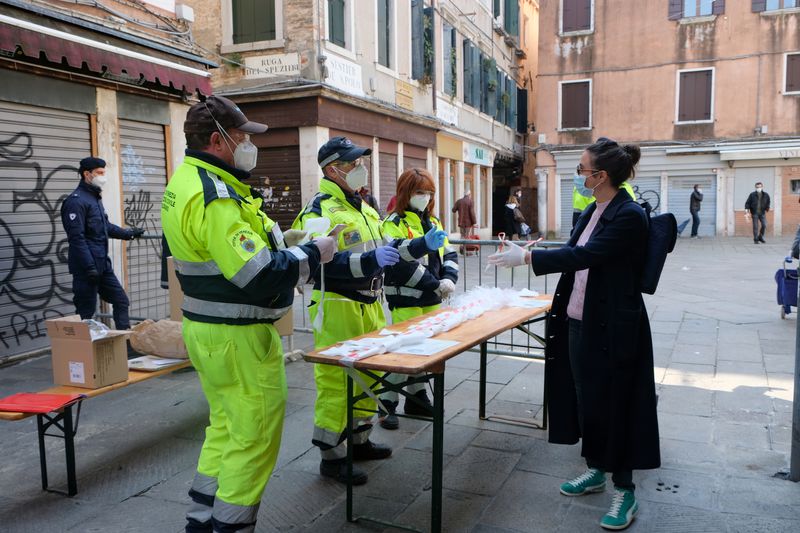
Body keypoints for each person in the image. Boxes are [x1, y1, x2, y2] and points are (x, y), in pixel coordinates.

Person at [161, 95, 336, 533]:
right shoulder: (216, 194)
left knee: (225, 426)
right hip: (238, 336)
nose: (247, 145)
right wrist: (312, 253)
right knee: (254, 434)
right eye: (241, 137)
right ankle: (232, 525)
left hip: (208, 331)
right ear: (217, 141)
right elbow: (256, 276)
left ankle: (202, 519)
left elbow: (221, 253)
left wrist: (287, 242)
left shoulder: (185, 181)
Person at [488, 138, 660, 531]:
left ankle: (625, 489)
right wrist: (536, 249)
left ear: (600, 176)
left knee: (616, 404)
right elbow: (573, 250)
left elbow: (588, 255)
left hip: (614, 327)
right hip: (578, 319)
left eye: (582, 170)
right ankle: (596, 469)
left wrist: (529, 258)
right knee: (587, 401)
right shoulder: (591, 211)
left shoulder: (629, 215)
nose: (578, 176)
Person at [292, 136, 447, 485]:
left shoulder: (363, 207)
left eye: (361, 162)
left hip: (370, 304)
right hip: (338, 305)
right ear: (333, 169)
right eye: (354, 163)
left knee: (367, 376)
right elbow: (315, 262)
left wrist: (422, 244)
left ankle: (359, 440)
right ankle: (332, 455)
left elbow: (387, 246)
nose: (362, 168)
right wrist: (367, 261)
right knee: (337, 381)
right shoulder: (319, 209)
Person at [378, 168, 459, 429]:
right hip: (406, 299)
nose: (425, 197)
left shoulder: (434, 223)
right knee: (403, 354)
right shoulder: (393, 222)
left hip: (432, 299)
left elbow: (450, 254)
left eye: (429, 193)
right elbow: (400, 263)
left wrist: (449, 279)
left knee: (426, 353)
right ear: (405, 193)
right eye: (419, 192)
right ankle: (386, 404)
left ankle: (417, 397)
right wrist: (436, 284)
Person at [61, 157, 144, 331]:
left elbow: (105, 227)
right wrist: (89, 267)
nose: (103, 177)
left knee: (121, 300)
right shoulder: (76, 201)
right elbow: (77, 238)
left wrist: (128, 234)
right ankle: (84, 351)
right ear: (87, 174)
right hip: (86, 269)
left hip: (102, 265)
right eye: (99, 173)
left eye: (104, 173)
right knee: (86, 312)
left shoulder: (94, 198)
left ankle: (125, 344)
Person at [572, 179, 636, 229]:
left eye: (582, 169)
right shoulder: (626, 187)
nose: (579, 174)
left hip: (596, 225)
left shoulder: (588, 186)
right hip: (585, 221)